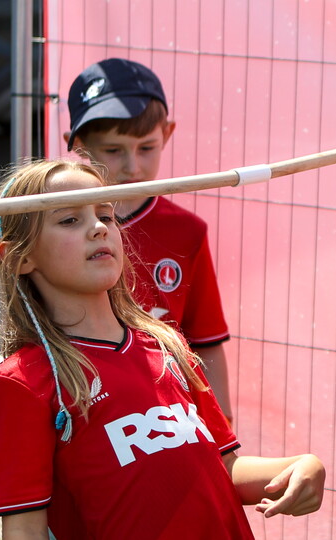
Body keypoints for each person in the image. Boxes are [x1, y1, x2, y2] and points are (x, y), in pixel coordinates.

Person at [0, 159, 325, 539]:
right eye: (69, 220)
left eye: (105, 215)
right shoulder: (20, 383)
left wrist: (300, 467)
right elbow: (24, 529)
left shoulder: (166, 346)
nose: (98, 228)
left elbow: (225, 469)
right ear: (19, 257)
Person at [62, 57, 235, 423]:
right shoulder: (50, 227)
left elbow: (206, 342)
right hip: (79, 409)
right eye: (113, 149)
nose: (133, 167)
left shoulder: (186, 232)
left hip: (166, 417)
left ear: (167, 135)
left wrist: (224, 430)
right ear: (76, 145)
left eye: (146, 148)